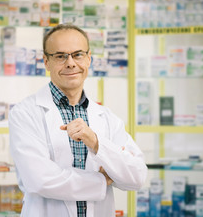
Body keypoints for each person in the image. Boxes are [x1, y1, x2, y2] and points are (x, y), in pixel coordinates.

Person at [9, 24, 147, 217]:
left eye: (78, 54)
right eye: (60, 56)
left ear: (89, 58)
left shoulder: (106, 118)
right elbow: (39, 180)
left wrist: (96, 143)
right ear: (46, 62)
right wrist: (101, 180)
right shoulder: (25, 113)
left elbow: (137, 176)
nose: (71, 63)